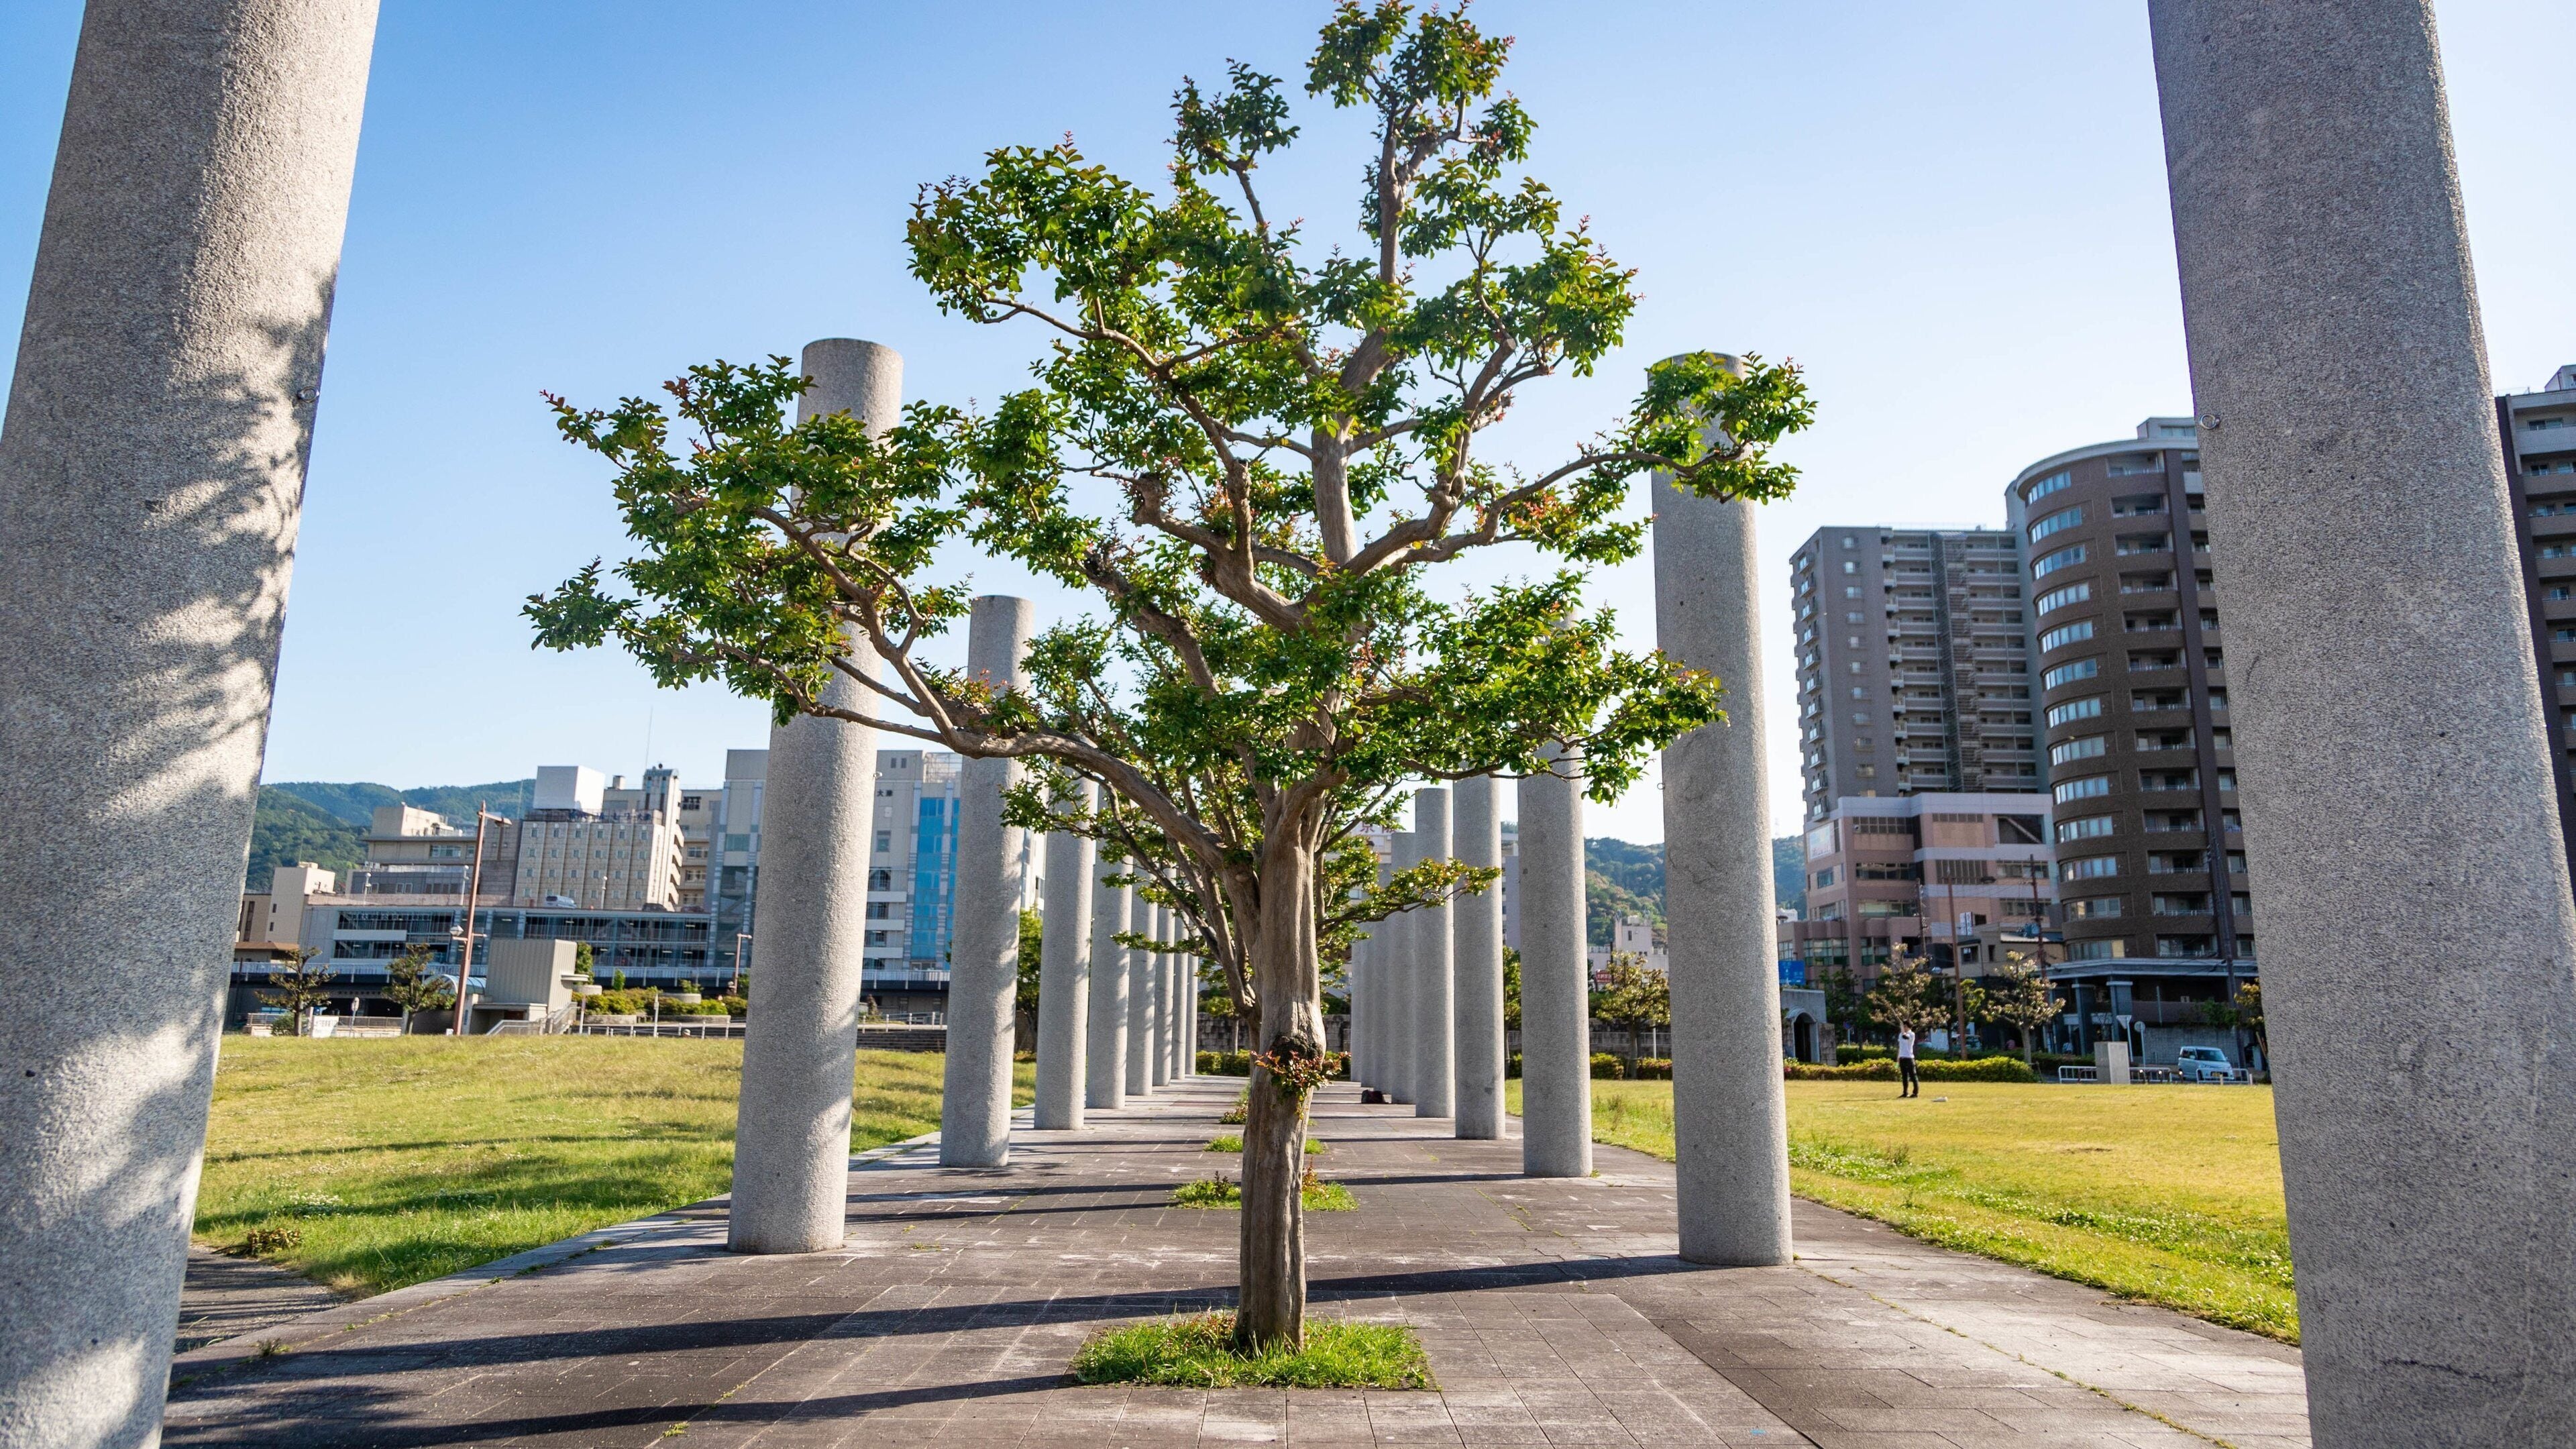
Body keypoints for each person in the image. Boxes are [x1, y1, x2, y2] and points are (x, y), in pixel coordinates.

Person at [1896, 1026, 1919, 1098]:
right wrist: (1898, 1058)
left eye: (1905, 1027)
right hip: (1902, 1057)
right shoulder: (1901, 1034)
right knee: (1904, 1077)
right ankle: (1905, 1093)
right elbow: (1900, 1047)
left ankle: (1915, 1093)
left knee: (1913, 1076)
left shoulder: (1912, 1034)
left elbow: (1906, 1037)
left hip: (1909, 1058)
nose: (1904, 1028)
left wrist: (1903, 1031)